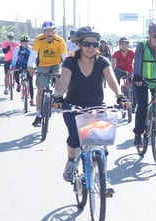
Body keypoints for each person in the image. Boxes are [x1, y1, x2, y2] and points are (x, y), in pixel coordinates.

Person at [52, 26, 125, 188]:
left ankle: (101, 176)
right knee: (75, 138)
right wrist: (59, 97)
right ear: (79, 44)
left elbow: (112, 80)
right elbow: (63, 81)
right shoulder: (70, 62)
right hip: (73, 107)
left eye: (95, 44)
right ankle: (71, 161)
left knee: (101, 142)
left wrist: (120, 95)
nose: (91, 48)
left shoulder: (102, 62)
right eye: (87, 44)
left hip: (96, 107)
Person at [27, 20, 68, 127]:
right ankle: (38, 115)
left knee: (59, 76)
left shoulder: (60, 41)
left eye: (51, 31)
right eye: (46, 31)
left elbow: (64, 57)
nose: (49, 34)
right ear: (44, 32)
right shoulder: (39, 40)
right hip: (42, 65)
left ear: (55, 31)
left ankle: (56, 95)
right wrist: (30, 66)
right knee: (40, 91)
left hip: (55, 64)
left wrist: (68, 68)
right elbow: (33, 54)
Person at [111, 36, 136, 110]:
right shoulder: (116, 53)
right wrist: (112, 71)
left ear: (128, 45)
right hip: (120, 71)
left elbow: (137, 62)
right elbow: (113, 65)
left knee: (135, 86)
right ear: (119, 45)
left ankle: (134, 105)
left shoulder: (132, 53)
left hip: (130, 71)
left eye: (126, 44)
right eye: (122, 44)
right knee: (116, 80)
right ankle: (119, 98)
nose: (124, 46)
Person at [11, 35, 35, 106]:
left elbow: (34, 59)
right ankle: (18, 84)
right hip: (20, 64)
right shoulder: (17, 49)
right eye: (23, 42)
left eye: (26, 42)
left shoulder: (31, 49)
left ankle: (32, 99)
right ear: (21, 43)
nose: (25, 43)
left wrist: (35, 67)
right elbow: (14, 58)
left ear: (28, 42)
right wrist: (13, 66)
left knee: (30, 83)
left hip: (28, 66)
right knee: (16, 72)